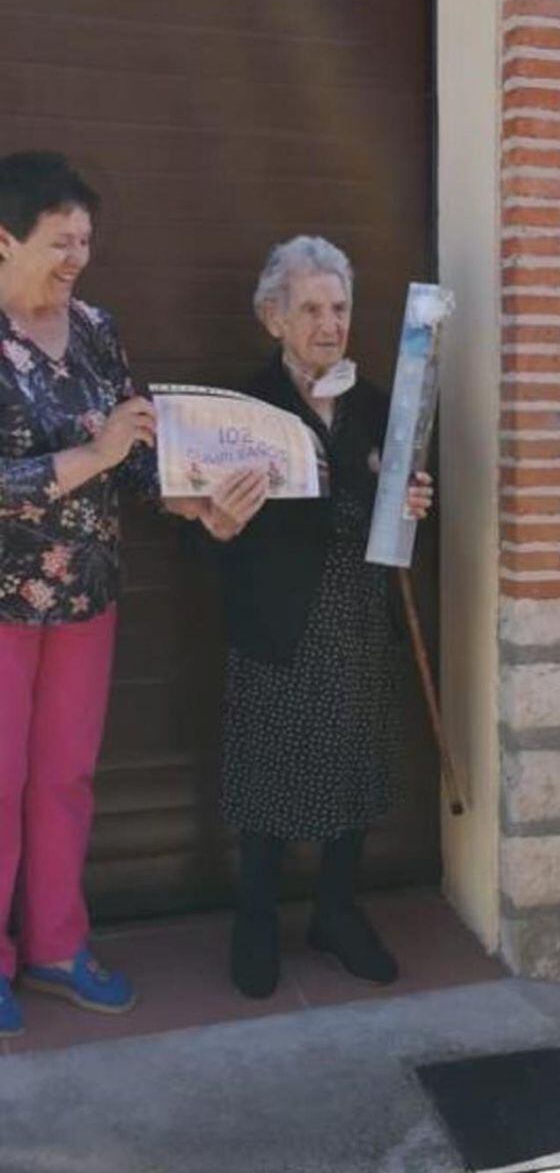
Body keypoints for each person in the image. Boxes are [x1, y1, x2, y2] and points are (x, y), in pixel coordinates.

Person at [0, 151, 254, 1034]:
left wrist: (195, 504)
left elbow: (137, 451)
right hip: (0, 604)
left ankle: (57, 949)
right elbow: (88, 454)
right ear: (4, 237)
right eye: (58, 241)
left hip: (87, 597)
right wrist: (94, 454)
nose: (76, 259)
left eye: (85, 242)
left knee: (64, 780)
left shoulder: (98, 330)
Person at [198, 236, 433, 1001]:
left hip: (358, 616)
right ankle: (256, 919)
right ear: (273, 318)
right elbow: (202, 527)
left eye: (339, 307)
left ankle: (335, 911)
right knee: (267, 777)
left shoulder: (374, 405)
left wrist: (413, 502)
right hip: (277, 621)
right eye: (310, 309)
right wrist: (218, 526)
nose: (329, 323)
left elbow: (402, 504)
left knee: (356, 769)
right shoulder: (244, 411)